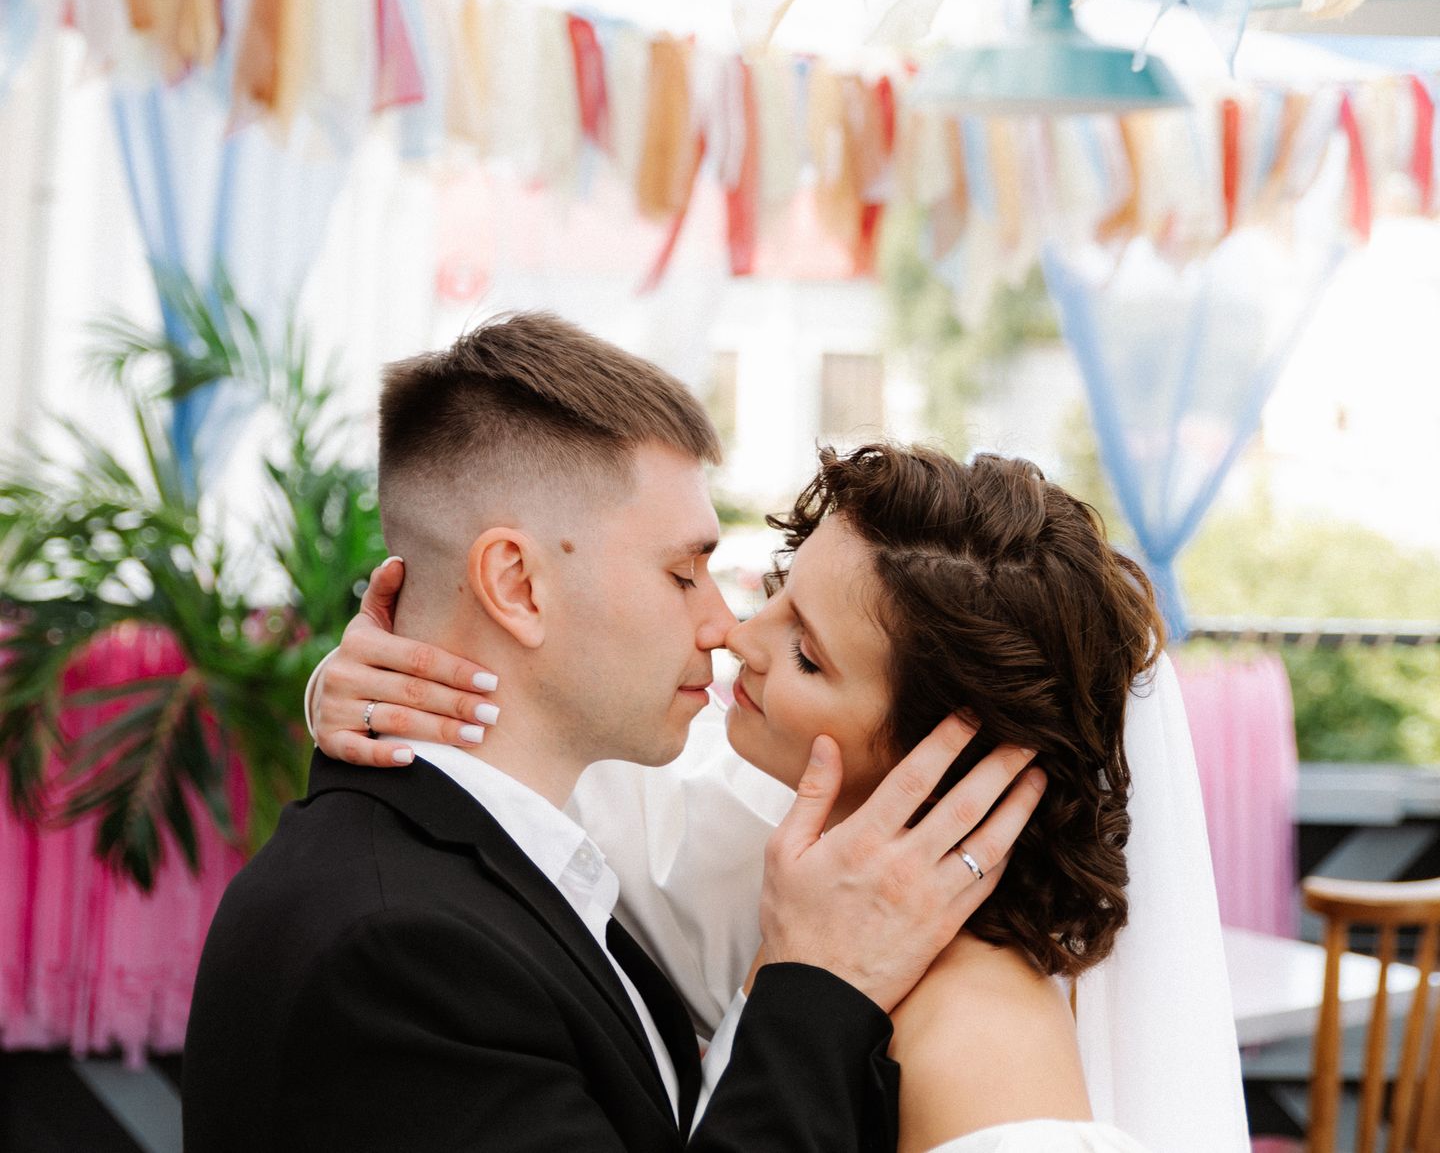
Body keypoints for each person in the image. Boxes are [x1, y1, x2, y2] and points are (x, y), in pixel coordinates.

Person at [310, 361, 1250, 1153]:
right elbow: (541, 782)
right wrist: (375, 683)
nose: (736, 634)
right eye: (776, 591)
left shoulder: (982, 1044)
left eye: (807, 652)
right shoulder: (763, 831)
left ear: (939, 751)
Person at [183, 314, 1048, 1153]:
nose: (724, 627)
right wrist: (816, 985)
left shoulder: (543, 858)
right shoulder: (396, 953)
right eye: (683, 572)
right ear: (517, 584)